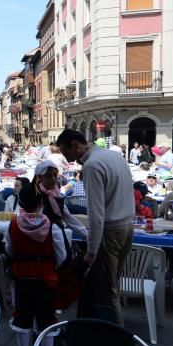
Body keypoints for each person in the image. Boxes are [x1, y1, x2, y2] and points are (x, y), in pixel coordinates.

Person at [56, 128, 134, 323]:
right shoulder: (115, 156)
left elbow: (96, 214)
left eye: (67, 153)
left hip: (110, 230)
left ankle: (115, 338)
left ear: (75, 145)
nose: (68, 159)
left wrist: (91, 251)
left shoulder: (92, 165)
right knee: (112, 284)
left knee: (108, 291)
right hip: (127, 226)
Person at [5, 184, 66, 346]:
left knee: (23, 317)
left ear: (21, 202)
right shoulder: (52, 226)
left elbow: (9, 249)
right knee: (46, 319)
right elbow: (61, 255)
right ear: (41, 203)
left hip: (22, 279)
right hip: (45, 280)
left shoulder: (14, 224)